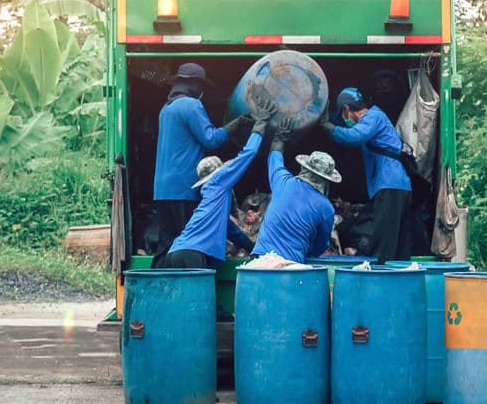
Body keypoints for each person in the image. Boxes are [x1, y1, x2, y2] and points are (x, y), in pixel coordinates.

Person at [156, 94, 276, 269]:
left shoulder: (212, 201)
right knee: (198, 297)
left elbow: (232, 232)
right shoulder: (219, 183)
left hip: (176, 252)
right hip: (193, 254)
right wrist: (260, 125)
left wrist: (254, 249)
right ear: (220, 172)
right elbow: (247, 154)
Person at [150, 62, 248, 258]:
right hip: (184, 189)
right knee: (189, 247)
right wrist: (238, 123)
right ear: (195, 85)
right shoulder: (191, 105)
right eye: (201, 87)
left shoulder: (166, 109)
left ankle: (161, 285)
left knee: (166, 247)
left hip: (161, 190)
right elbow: (211, 139)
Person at [318, 87, 411, 263]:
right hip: (394, 186)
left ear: (346, 108)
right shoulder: (370, 118)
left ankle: (381, 280)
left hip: (390, 185)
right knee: (393, 242)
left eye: (343, 113)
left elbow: (353, 136)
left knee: (384, 244)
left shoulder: (373, 117)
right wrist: (319, 115)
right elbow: (339, 122)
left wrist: (326, 126)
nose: (344, 119)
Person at [251, 119, 340, 263]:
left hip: (260, 259)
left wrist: (279, 137)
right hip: (290, 265)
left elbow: (274, 157)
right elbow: (320, 246)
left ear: (304, 168)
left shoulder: (283, 182)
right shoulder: (326, 208)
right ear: (326, 180)